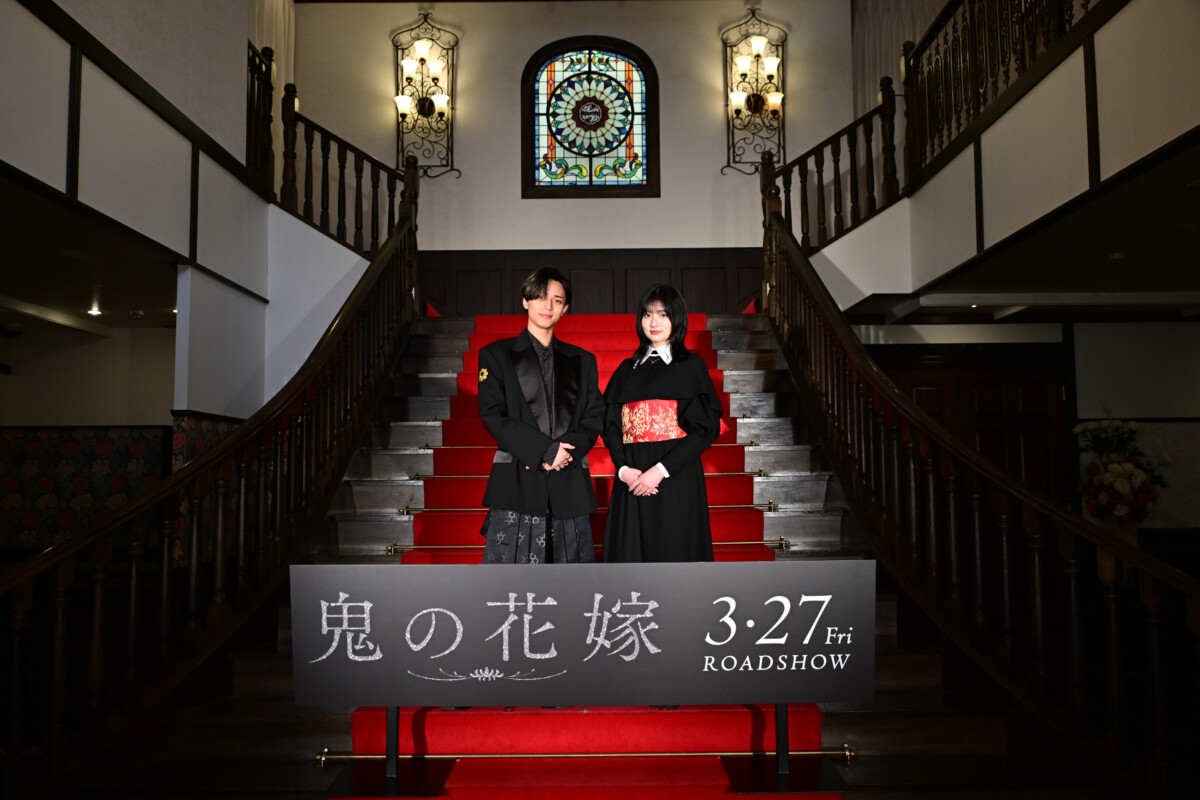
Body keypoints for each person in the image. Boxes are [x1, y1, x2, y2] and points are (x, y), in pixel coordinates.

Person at [477, 267, 604, 564]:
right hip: (518, 480)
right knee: (513, 579)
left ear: (565, 308)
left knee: (572, 580)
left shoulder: (583, 361)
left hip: (568, 479)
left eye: (557, 300)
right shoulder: (496, 355)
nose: (548, 306)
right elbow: (493, 414)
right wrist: (545, 451)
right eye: (540, 297)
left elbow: (595, 414)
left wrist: (565, 453)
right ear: (525, 300)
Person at [602, 284, 723, 562]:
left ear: (677, 318)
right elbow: (610, 427)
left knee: (675, 555)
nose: (654, 322)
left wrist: (660, 471)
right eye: (647, 315)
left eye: (663, 314)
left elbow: (705, 430)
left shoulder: (691, 366)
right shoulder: (625, 370)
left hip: (675, 477)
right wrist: (623, 470)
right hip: (632, 477)